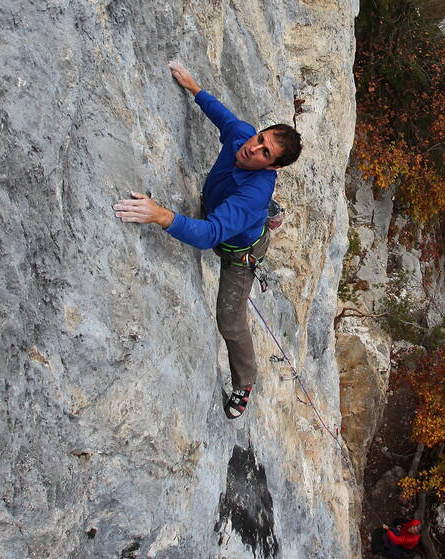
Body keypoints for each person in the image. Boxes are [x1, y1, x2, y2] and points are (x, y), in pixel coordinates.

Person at [113, 61, 303, 419]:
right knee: (241, 202)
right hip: (231, 207)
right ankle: (269, 211)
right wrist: (194, 87)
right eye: (259, 139)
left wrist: (161, 215)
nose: (253, 148)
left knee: (230, 321)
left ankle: (245, 382)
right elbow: (224, 117)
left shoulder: (250, 196)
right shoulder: (241, 137)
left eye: (265, 153)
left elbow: (211, 235)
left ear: (274, 167)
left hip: (239, 251)